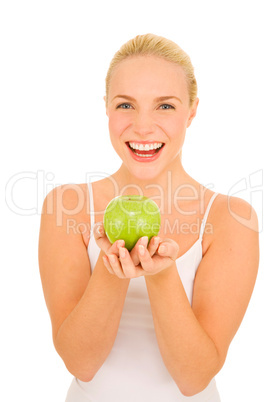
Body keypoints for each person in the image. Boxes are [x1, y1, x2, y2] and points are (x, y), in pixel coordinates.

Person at [38, 33, 259, 401]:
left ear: (192, 111)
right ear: (106, 108)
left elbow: (194, 378)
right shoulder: (66, 206)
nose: (142, 127)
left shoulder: (231, 218)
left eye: (165, 106)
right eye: (125, 105)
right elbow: (82, 363)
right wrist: (113, 271)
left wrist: (161, 273)